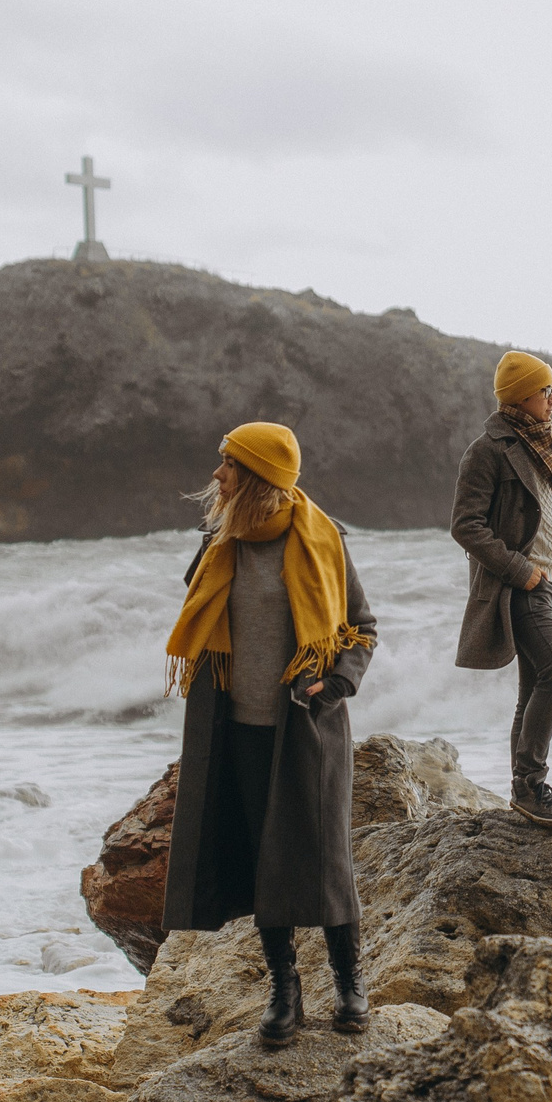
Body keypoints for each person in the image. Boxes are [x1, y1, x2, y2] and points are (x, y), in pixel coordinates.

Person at [160, 421, 378, 1047]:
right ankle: (285, 991)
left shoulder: (323, 538)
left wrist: (334, 685)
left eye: (229, 465)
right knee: (261, 858)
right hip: (235, 728)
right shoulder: (218, 540)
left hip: (306, 727)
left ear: (257, 476)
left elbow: (362, 627)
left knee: (327, 855)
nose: (217, 475)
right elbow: (198, 609)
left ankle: (349, 982)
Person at [451, 349, 552, 828]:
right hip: (525, 587)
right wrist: (520, 570)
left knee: (532, 690)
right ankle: (530, 784)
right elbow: (466, 526)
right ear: (522, 395)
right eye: (546, 390)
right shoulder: (487, 450)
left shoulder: (547, 444)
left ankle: (524, 794)